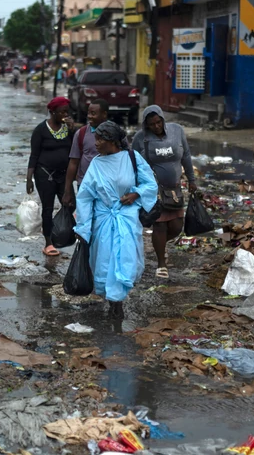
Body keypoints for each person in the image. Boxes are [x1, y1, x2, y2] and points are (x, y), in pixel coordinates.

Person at [75, 121, 158, 318]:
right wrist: (83, 228)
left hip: (126, 218)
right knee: (104, 260)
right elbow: (85, 197)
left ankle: (118, 300)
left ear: (112, 141)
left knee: (125, 258)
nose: (96, 143)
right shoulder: (96, 163)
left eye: (100, 139)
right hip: (103, 220)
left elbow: (150, 183)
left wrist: (135, 194)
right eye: (95, 138)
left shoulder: (132, 158)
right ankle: (111, 299)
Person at [132, 105, 197, 279]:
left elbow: (186, 156)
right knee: (159, 225)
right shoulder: (140, 138)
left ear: (163, 119)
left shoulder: (177, 131)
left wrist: (191, 180)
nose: (156, 126)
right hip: (154, 190)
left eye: (158, 122)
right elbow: (133, 163)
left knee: (176, 227)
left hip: (175, 190)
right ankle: (161, 264)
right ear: (146, 125)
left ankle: (159, 246)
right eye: (152, 124)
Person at [28, 97, 75, 256]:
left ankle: (49, 226)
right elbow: (34, 155)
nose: (65, 115)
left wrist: (73, 129)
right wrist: (29, 179)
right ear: (52, 112)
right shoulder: (41, 130)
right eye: (62, 112)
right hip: (44, 174)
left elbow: (75, 151)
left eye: (67, 112)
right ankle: (48, 242)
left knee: (70, 204)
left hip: (64, 175)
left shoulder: (68, 129)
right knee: (47, 208)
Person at [63, 100, 114, 207]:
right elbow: (73, 162)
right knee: (85, 220)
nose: (89, 116)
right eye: (88, 113)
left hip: (109, 186)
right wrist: (67, 190)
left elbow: (125, 159)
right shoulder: (81, 134)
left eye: (93, 113)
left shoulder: (116, 133)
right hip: (85, 185)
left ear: (104, 114)